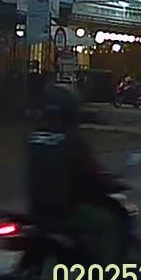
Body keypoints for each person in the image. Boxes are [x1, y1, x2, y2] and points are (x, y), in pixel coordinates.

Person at [26, 84, 122, 265]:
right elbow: (92, 171)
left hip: (37, 212)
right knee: (108, 223)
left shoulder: (33, 137)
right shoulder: (72, 139)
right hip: (66, 213)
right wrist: (109, 183)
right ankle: (106, 275)